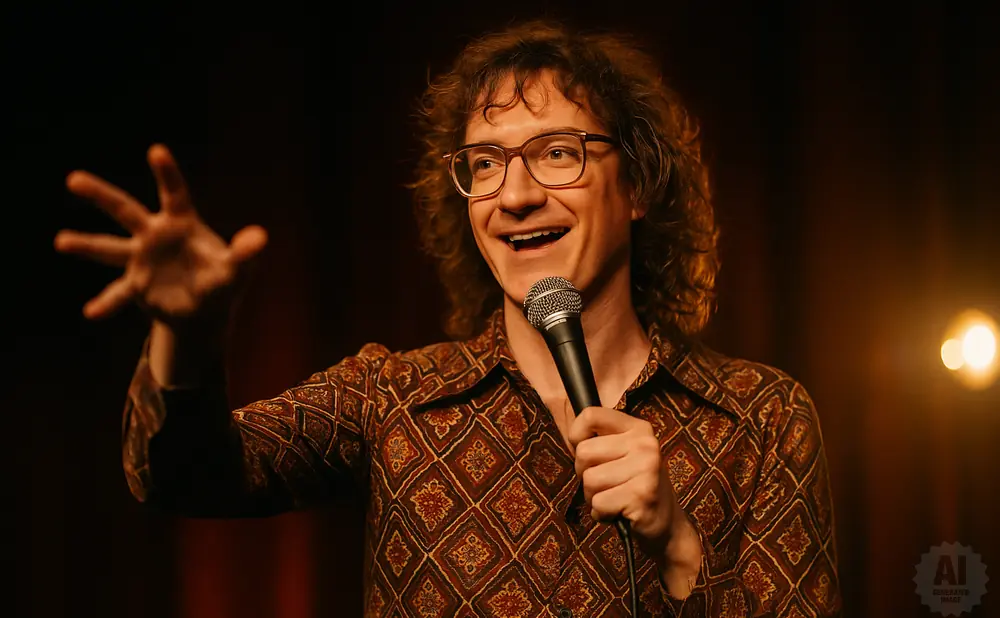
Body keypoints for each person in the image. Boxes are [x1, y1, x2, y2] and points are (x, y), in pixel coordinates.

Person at [55, 19, 842, 618]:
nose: (516, 195)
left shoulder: (761, 420)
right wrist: (186, 336)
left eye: (557, 152)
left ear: (636, 185)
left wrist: (678, 548)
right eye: (486, 163)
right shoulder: (391, 400)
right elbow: (182, 473)